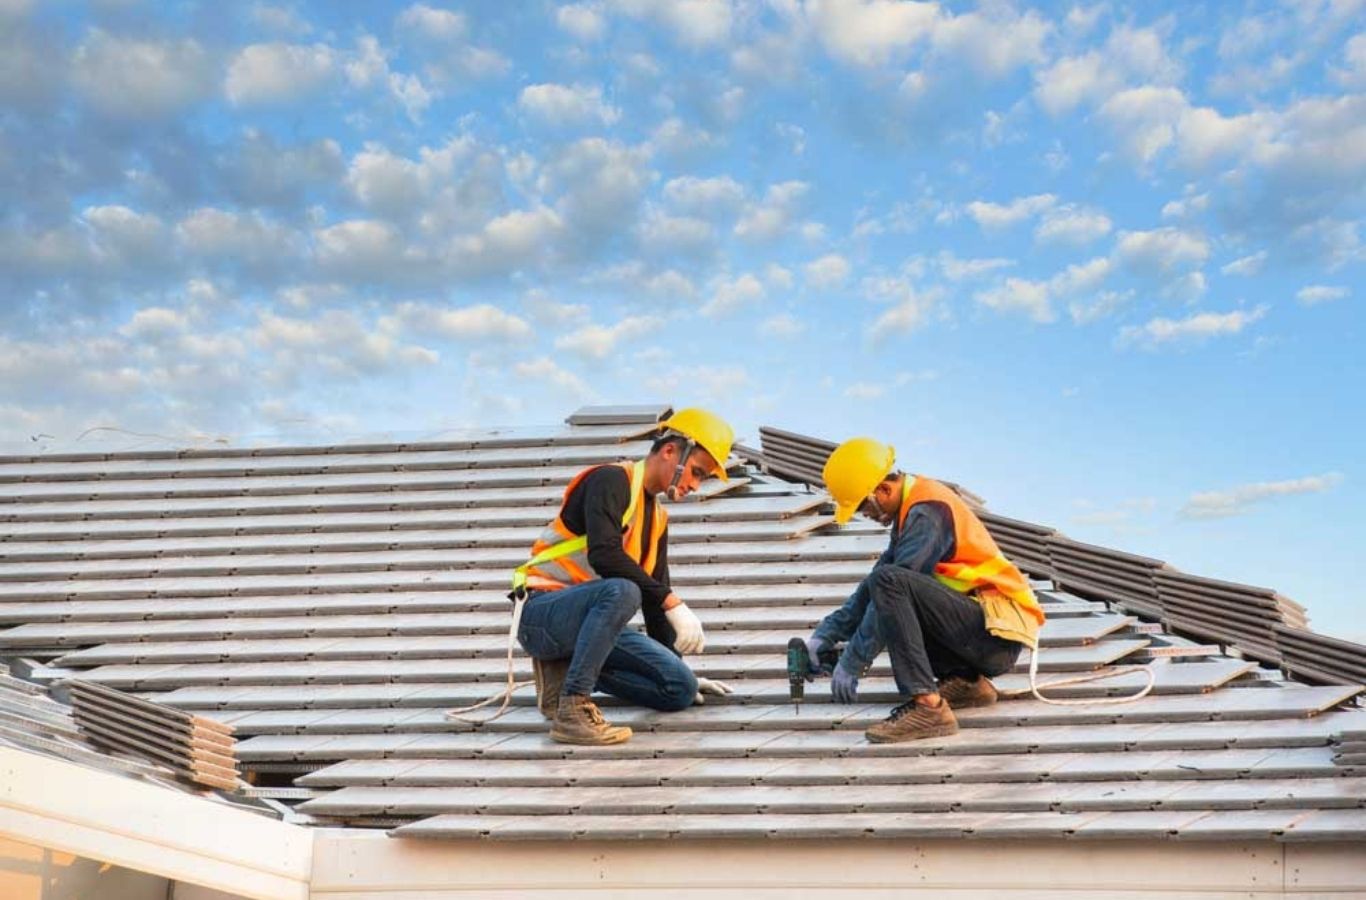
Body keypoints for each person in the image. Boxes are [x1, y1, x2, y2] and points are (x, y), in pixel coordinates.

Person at [509, 408, 736, 746]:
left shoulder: (657, 519)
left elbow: (656, 602)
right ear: (670, 451)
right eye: (696, 472)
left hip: (590, 627)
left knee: (679, 689)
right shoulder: (611, 480)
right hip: (541, 615)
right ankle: (573, 709)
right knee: (624, 590)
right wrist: (672, 601)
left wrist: (674, 666)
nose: (694, 485)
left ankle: (567, 671)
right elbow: (604, 555)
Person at [806, 437, 1045, 743]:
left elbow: (890, 588)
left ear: (883, 489)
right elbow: (873, 586)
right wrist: (825, 635)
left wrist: (853, 661)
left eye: (863, 505)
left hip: (996, 636)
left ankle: (928, 708)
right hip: (980, 631)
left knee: (891, 584)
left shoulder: (928, 513)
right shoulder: (911, 508)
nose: (863, 514)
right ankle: (967, 683)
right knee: (887, 584)